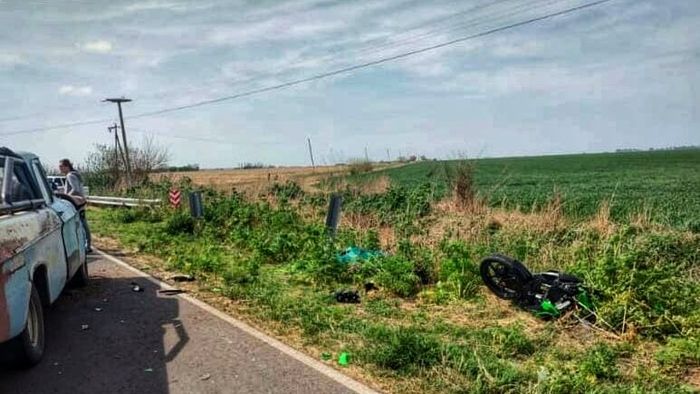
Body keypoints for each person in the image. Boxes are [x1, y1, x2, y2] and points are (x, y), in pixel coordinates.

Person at [59, 159, 92, 253]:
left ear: (66, 166)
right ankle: (87, 245)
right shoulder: (74, 174)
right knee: (82, 224)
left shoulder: (70, 175)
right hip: (79, 201)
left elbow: (75, 189)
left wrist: (66, 196)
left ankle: (87, 246)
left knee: (82, 225)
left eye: (61, 167)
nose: (60, 169)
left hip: (76, 202)